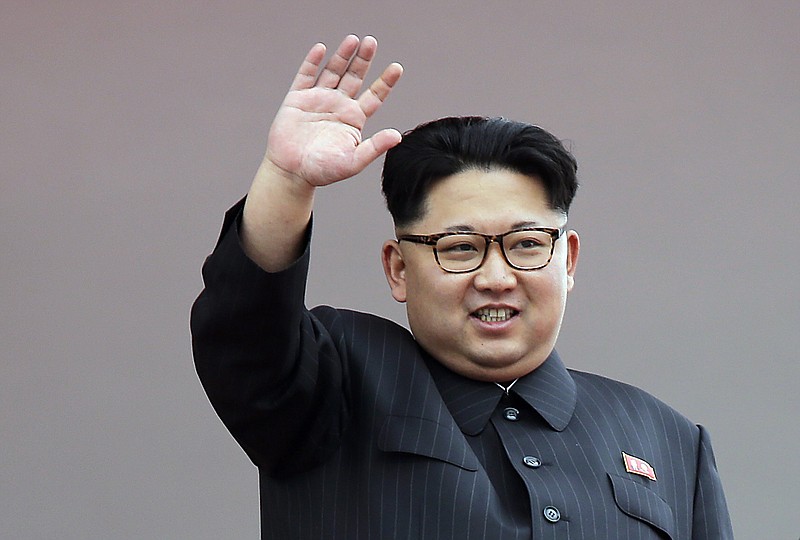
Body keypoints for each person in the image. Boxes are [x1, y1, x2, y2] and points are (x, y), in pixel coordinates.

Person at [191, 35, 733, 539]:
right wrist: (287, 182)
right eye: (459, 249)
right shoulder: (332, 384)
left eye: (525, 244)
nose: (496, 279)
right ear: (398, 269)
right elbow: (247, 327)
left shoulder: (669, 439)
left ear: (566, 259)